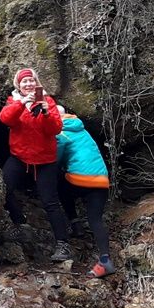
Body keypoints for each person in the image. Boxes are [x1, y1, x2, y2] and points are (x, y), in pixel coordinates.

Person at [0, 68, 72, 262]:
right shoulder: (13, 101)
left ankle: (63, 244)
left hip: (44, 160)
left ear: (37, 83)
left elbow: (55, 129)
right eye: (24, 82)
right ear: (18, 86)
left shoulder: (47, 101)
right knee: (3, 189)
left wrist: (46, 112)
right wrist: (22, 103)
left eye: (31, 81)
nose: (29, 84)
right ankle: (20, 223)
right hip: (20, 157)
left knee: (50, 201)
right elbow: (5, 119)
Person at [56, 105, 114, 277]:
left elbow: (57, 158)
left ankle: (75, 223)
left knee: (61, 186)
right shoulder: (81, 128)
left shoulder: (60, 131)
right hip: (102, 180)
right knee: (95, 219)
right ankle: (105, 261)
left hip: (80, 179)